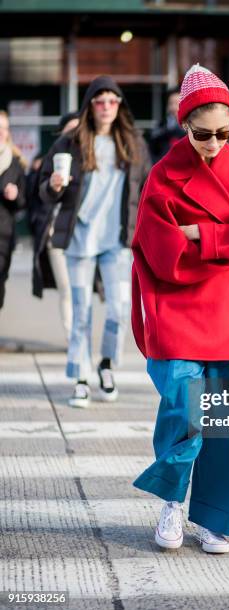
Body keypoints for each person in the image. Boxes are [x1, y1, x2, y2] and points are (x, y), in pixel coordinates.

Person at [131, 64, 229, 553]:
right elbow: (158, 247)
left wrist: (201, 234)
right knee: (182, 406)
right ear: (184, 124)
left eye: (223, 132)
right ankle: (173, 501)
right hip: (179, 304)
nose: (213, 142)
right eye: (202, 133)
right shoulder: (163, 173)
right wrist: (225, 242)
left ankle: (214, 516)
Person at [39, 76, 151, 408]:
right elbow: (43, 189)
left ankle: (106, 364)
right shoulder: (71, 141)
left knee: (119, 308)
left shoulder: (133, 143)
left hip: (117, 240)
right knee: (81, 311)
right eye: (99, 101)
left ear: (120, 106)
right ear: (90, 106)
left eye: (112, 101)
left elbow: (149, 189)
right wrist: (56, 185)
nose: (106, 107)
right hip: (79, 239)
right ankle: (80, 376)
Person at [31, 112, 80, 342]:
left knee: (80, 290)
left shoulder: (88, 161)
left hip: (81, 236)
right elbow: (37, 193)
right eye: (70, 130)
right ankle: (73, 338)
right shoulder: (53, 156)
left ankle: (82, 336)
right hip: (55, 236)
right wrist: (52, 185)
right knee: (67, 289)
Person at [0, 110, 27, 312]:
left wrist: (16, 195)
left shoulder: (16, 163)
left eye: (5, 128)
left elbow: (23, 203)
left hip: (4, 235)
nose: (1, 132)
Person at [148, 87, 185, 163]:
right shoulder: (161, 125)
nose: (173, 107)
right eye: (171, 103)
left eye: (177, 103)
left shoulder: (192, 127)